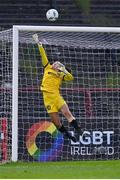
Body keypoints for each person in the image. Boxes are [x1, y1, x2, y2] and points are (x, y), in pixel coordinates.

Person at [32, 34, 83, 142]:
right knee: (56, 122)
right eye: (55, 62)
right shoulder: (47, 67)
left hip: (56, 97)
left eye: (58, 64)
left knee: (67, 113)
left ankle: (79, 130)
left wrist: (64, 70)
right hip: (47, 98)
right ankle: (68, 135)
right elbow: (43, 56)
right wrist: (39, 44)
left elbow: (71, 77)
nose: (56, 63)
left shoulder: (61, 75)